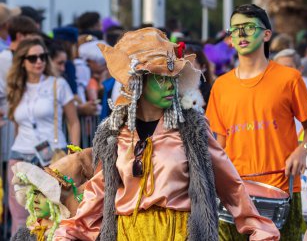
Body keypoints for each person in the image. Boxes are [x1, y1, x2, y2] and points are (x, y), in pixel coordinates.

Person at [53, 27, 280, 241]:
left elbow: (231, 186)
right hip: (128, 234)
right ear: (139, 83)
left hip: (178, 233)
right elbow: (99, 191)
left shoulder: (192, 130)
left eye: (173, 79)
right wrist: (70, 230)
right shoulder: (115, 134)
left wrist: (258, 229)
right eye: (161, 78)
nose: (170, 86)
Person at [206, 4, 307, 241]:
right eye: (235, 29)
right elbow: (220, 143)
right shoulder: (221, 86)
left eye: (249, 28)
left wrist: (302, 150)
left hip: (282, 190)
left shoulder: (289, 78)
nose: (241, 34)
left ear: (266, 34)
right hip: (235, 193)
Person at [6, 38, 80, 234]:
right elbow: (17, 126)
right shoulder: (16, 89)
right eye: (32, 58)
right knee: (21, 218)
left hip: (52, 159)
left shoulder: (58, 84)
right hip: (20, 157)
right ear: (22, 61)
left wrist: (74, 155)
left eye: (43, 57)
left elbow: (73, 122)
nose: (39, 61)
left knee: (55, 214)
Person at [11, 148, 94, 240]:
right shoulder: (25, 233)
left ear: (59, 201)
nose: (35, 200)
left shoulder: (67, 233)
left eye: (43, 194)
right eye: (34, 193)